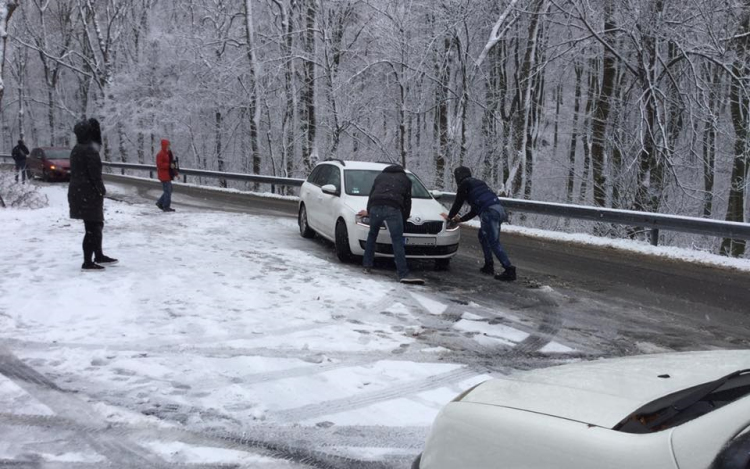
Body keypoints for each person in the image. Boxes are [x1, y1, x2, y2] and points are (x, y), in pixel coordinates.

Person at [443, 166, 516, 281]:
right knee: (482, 236)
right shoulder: (478, 183)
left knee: (493, 241)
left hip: (489, 212)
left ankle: (509, 269)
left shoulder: (464, 184)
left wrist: (449, 217)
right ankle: (489, 265)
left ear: (458, 177)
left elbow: (458, 203)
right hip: (498, 210)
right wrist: (461, 220)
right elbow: (475, 210)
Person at [358, 164, 424, 285]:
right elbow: (407, 201)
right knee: (397, 240)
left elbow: (371, 195)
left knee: (372, 236)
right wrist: (403, 218)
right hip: (393, 207)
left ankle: (367, 265)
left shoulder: (380, 176)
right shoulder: (405, 179)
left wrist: (369, 211)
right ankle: (402, 273)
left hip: (375, 206)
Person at [68, 118, 118, 271]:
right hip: (88, 194)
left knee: (93, 225)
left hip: (79, 193)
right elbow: (94, 175)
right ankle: (88, 261)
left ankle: (98, 255)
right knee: (94, 227)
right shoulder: (89, 150)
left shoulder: (77, 148)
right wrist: (101, 190)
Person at [155, 139, 177, 212]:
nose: (169, 146)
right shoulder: (160, 154)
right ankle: (166, 206)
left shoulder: (168, 153)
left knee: (169, 190)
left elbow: (170, 163)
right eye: (168, 145)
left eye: (169, 145)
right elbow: (159, 164)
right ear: (164, 145)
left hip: (167, 175)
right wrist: (169, 165)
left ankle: (160, 203)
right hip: (164, 175)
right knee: (168, 191)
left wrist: (175, 173)